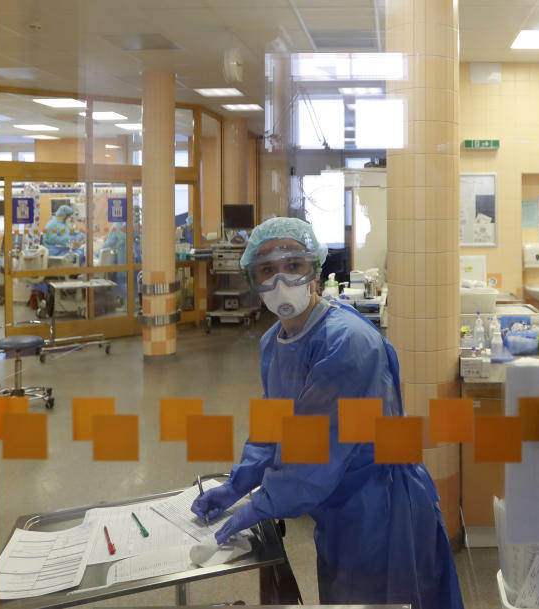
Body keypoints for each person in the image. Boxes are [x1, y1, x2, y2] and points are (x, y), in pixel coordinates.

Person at [191, 217, 464, 608]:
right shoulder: (274, 343)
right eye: (267, 269)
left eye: (293, 265)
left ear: (315, 269)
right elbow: (273, 424)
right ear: (253, 279)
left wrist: (260, 504)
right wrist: (238, 483)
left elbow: (316, 448)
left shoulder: (346, 344)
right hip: (335, 504)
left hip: (378, 506)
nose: (280, 280)